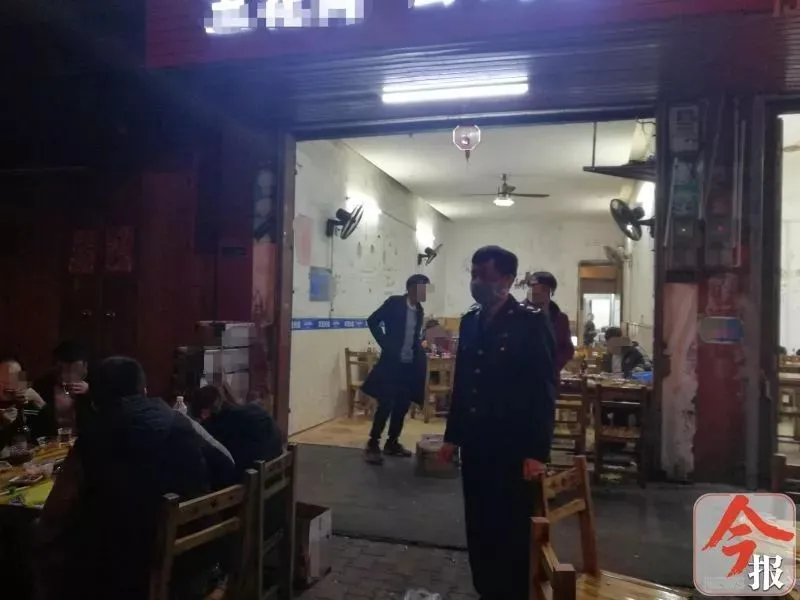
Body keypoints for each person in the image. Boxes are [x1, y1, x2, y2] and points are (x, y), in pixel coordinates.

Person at [34, 356, 229, 600]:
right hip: (192, 566)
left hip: (122, 579)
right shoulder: (179, 422)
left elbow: (54, 512)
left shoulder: (94, 437)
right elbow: (224, 465)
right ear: (144, 390)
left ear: (95, 401)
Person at [439, 246, 556, 600]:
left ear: (506, 279)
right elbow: (463, 383)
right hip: (476, 444)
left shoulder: (530, 321)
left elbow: (543, 389)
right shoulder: (470, 321)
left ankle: (513, 592)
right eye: (473, 274)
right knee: (478, 521)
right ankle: (485, 589)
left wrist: (537, 452)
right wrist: (452, 437)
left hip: (512, 446)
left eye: (484, 275)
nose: (476, 282)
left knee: (511, 526)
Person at [361, 273, 430, 464]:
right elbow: (372, 320)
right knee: (386, 403)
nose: (425, 293)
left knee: (403, 404)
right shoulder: (395, 303)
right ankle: (373, 443)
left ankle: (392, 442)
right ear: (411, 288)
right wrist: (386, 344)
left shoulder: (419, 310)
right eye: (423, 288)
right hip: (392, 363)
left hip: (409, 366)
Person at [189, 384, 283, 474]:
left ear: (204, 413)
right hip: (274, 471)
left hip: (250, 477)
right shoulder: (252, 410)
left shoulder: (219, 426)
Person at [31, 341, 94, 438]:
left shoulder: (95, 383)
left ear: (85, 367)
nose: (70, 375)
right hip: (51, 442)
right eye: (64, 370)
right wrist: (40, 403)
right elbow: (33, 422)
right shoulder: (43, 385)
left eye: (75, 370)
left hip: (86, 442)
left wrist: (91, 392)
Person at [526, 271, 575, 374]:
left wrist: (553, 366)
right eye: (532, 287)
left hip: (550, 377)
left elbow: (567, 350)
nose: (535, 291)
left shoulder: (561, 319)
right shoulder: (517, 314)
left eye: (542, 288)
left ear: (551, 292)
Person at [0, 357, 46, 454]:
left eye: (16, 378)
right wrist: (4, 426)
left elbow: (52, 434)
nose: (11, 385)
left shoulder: (28, 400)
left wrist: (39, 401)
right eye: (5, 381)